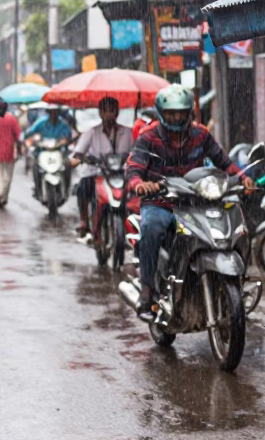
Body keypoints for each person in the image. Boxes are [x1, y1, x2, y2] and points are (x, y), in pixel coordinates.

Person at [126, 84, 254, 317]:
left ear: (189, 113)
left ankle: (236, 280)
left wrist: (243, 177)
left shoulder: (201, 134)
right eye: (171, 113)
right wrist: (140, 185)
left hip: (196, 202)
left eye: (181, 112)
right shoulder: (148, 137)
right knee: (151, 228)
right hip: (160, 202)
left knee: (236, 224)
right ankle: (147, 290)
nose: (176, 117)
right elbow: (133, 169)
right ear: (161, 113)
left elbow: (223, 162)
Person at [70, 97, 133, 238]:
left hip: (121, 174)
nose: (108, 115)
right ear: (100, 113)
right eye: (105, 111)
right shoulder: (92, 132)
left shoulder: (128, 133)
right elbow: (77, 153)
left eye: (112, 111)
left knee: (137, 194)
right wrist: (79, 159)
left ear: (117, 113)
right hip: (97, 173)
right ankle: (84, 222)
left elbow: (138, 151)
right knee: (83, 187)